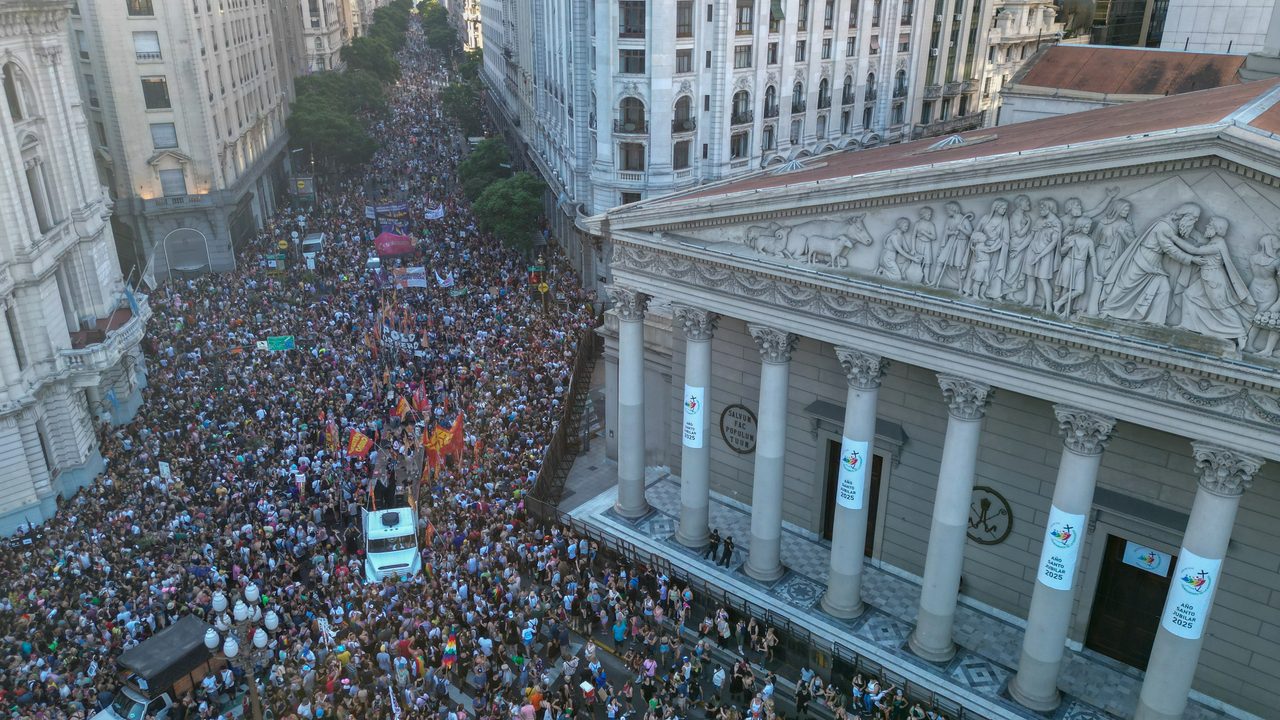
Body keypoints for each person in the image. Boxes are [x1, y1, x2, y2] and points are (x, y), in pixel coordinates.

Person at [1100, 203, 1203, 324]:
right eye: (1192, 219)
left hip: (1155, 263)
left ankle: (1155, 321)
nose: (1193, 223)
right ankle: (1107, 309)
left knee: (1164, 290)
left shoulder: (1173, 225)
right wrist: (1191, 259)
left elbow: (1189, 234)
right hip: (1143, 259)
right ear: (1184, 216)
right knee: (1125, 287)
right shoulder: (1164, 226)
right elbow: (1171, 250)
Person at [1176, 216, 1255, 353]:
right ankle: (1186, 324)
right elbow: (1200, 240)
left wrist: (1173, 238)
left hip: (1214, 281)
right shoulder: (1214, 241)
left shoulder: (1217, 245)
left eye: (1209, 226)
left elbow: (1194, 251)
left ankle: (1240, 333)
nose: (1206, 227)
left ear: (1217, 230)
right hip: (1206, 278)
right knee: (1188, 295)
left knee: (1222, 307)